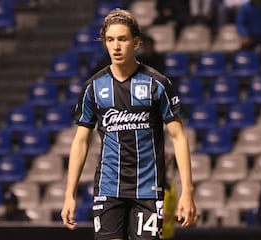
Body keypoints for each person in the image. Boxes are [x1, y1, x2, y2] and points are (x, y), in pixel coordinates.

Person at [60, 8, 197, 240]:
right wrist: (69, 194)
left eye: (122, 39)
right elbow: (81, 141)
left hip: (148, 188)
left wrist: (187, 192)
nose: (116, 46)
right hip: (108, 188)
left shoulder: (158, 84)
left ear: (136, 42)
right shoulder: (93, 87)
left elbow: (178, 137)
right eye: (110, 40)